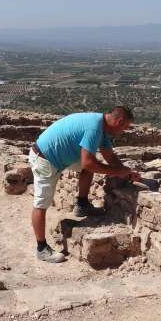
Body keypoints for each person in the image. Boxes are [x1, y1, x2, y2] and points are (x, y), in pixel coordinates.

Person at [29, 106, 142, 263]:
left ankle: (82, 205)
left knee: (89, 167)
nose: (124, 131)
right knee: (41, 204)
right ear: (119, 121)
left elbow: (109, 157)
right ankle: (41, 249)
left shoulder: (102, 127)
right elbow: (88, 163)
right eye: (125, 127)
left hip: (60, 156)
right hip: (45, 158)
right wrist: (117, 172)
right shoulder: (94, 128)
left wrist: (127, 172)